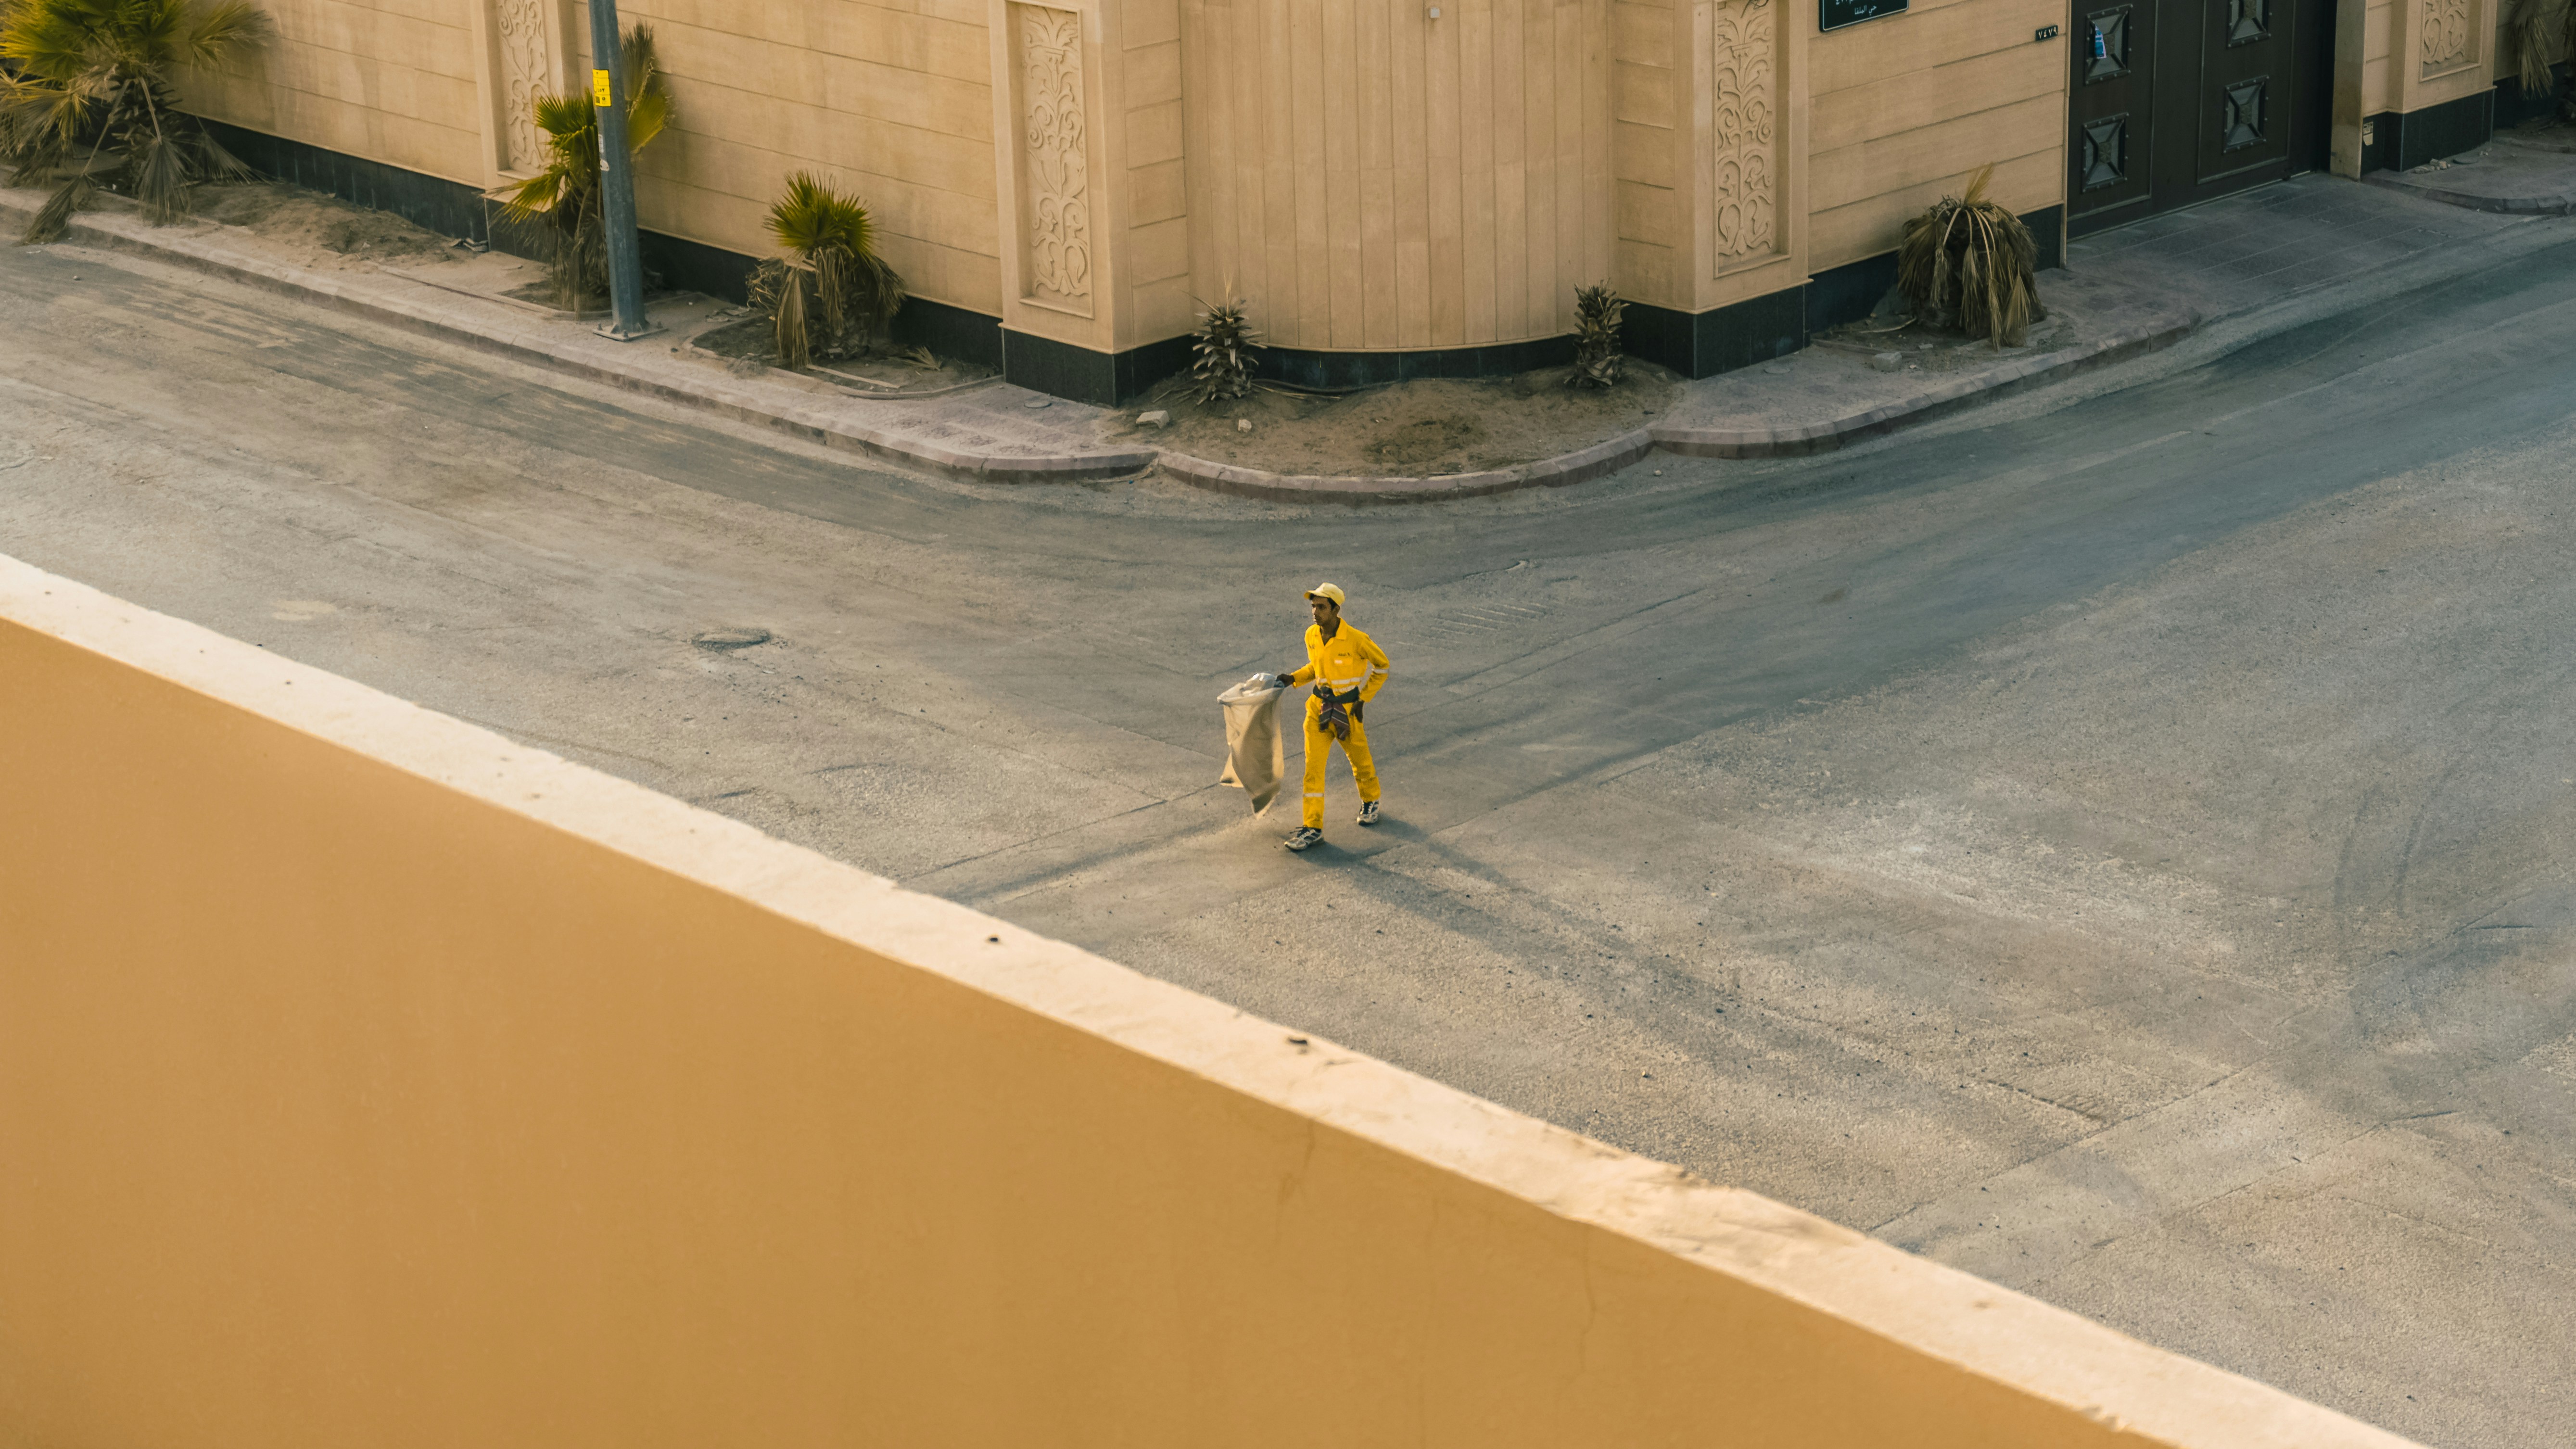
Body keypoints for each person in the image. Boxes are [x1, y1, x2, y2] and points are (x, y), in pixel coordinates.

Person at [1271, 583, 1390, 852]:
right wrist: (1293, 679)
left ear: (1336, 609)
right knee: (1312, 770)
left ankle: (1371, 800)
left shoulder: (1357, 640)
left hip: (1348, 711)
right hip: (1318, 711)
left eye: (1322, 607)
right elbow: (1316, 667)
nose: (1315, 612)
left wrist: (1364, 699)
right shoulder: (1311, 635)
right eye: (1313, 606)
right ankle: (1312, 828)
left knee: (1359, 760)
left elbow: (1382, 666)